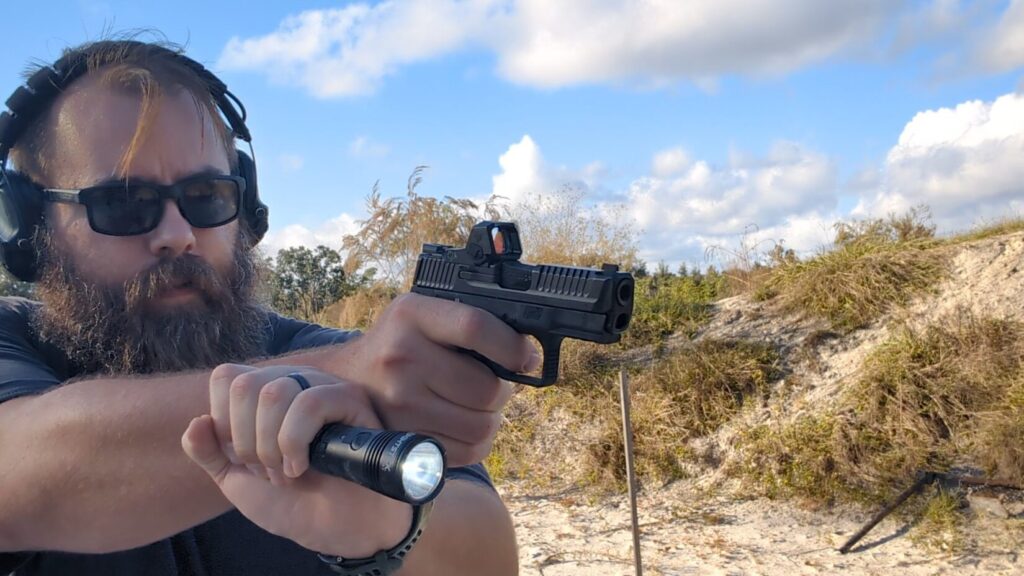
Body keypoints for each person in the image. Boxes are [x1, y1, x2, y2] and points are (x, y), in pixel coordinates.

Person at [0, 37, 535, 575]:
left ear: (245, 208)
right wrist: (344, 375)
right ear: (29, 228)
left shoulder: (320, 352)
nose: (178, 234)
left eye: (206, 196)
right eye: (121, 203)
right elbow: (23, 470)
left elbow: (487, 553)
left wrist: (387, 526)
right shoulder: (13, 343)